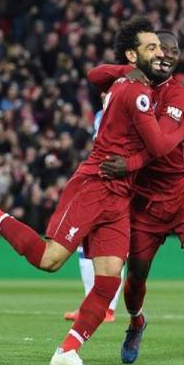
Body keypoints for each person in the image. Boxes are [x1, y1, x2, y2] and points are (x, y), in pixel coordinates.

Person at [0, 16, 184, 365]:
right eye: (151, 47)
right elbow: (157, 145)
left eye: (161, 47)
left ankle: (67, 351)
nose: (159, 53)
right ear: (132, 54)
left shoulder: (136, 83)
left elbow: (96, 76)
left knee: (108, 281)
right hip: (95, 184)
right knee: (50, 260)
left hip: (120, 194)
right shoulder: (135, 90)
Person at [85, 30, 184, 365]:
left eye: (173, 52)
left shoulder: (177, 93)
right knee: (136, 278)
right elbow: (94, 76)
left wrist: (130, 163)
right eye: (160, 50)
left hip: (180, 191)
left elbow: (161, 143)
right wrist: (127, 69)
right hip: (143, 199)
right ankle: (136, 322)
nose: (167, 56)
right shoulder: (131, 84)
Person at [62, 111, 121, 323]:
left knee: (113, 247)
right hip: (99, 178)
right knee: (85, 244)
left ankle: (108, 309)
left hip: (119, 183)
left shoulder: (128, 105)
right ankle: (91, 305)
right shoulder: (101, 114)